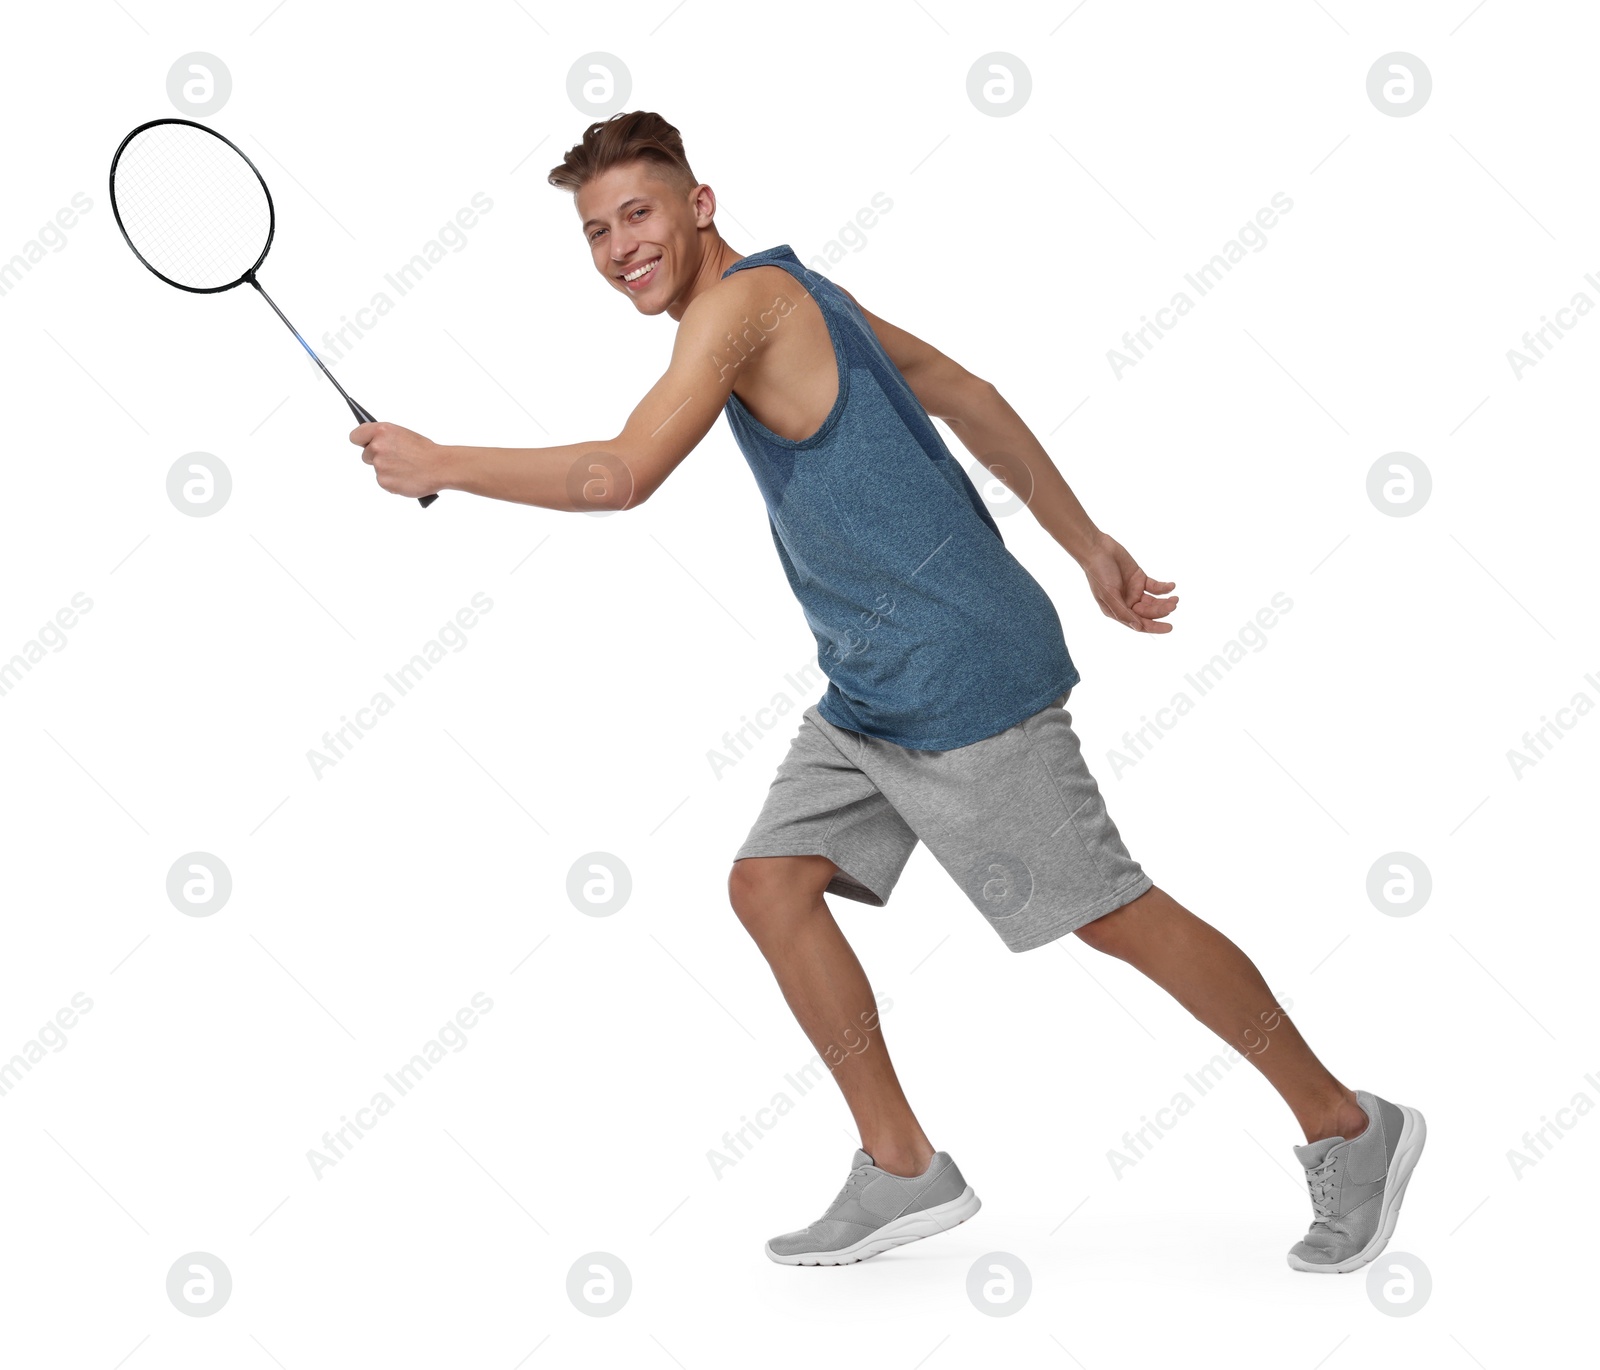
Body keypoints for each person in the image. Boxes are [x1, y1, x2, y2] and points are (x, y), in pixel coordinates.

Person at [349, 110, 1426, 1275]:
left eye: (638, 213)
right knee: (769, 884)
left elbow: (624, 473)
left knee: (1110, 909)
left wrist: (442, 461)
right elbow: (958, 386)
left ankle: (1348, 1125)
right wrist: (1082, 540)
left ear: (699, 205)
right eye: (596, 230)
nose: (619, 247)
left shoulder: (740, 307)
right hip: (869, 687)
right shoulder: (785, 289)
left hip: (958, 670)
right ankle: (903, 1160)